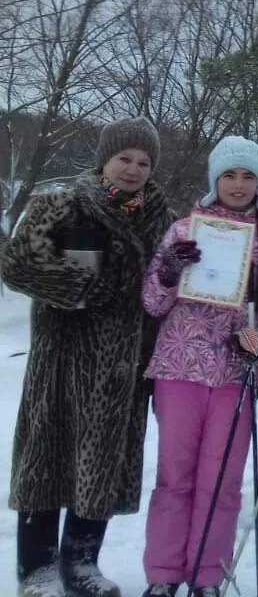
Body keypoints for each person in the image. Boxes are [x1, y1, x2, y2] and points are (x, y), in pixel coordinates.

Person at [2, 119, 173, 597]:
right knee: (47, 459)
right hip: (63, 358)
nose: (134, 169)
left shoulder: (164, 219)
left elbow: (167, 288)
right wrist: (74, 285)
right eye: (125, 158)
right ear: (105, 159)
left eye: (144, 162)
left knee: (101, 463)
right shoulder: (61, 203)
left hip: (125, 366)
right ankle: (35, 569)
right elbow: (15, 264)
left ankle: (81, 565)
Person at [139, 136, 258, 597]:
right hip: (179, 366)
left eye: (248, 176)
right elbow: (151, 302)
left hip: (236, 373)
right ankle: (164, 574)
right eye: (229, 174)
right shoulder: (184, 231)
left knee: (222, 480)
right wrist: (169, 269)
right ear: (215, 180)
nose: (239, 184)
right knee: (175, 476)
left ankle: (208, 576)